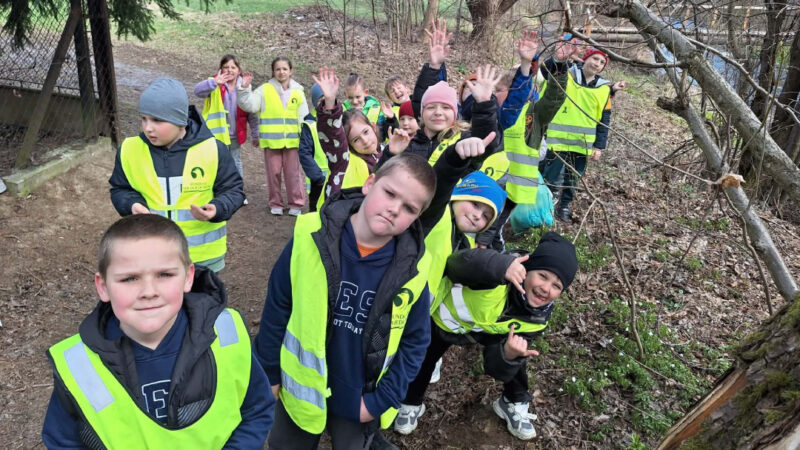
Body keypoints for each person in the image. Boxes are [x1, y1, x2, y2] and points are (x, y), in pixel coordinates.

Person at [42, 214, 274, 448]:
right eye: (130, 278)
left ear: (188, 277)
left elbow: (256, 409)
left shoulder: (227, 334)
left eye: (164, 275)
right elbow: (62, 441)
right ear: (103, 287)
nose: (149, 291)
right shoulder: (78, 364)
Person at [254, 153, 437, 449]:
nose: (394, 209)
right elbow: (277, 308)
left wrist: (380, 401)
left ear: (416, 218)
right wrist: (269, 373)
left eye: (409, 208)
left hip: (361, 399)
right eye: (390, 193)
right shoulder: (309, 237)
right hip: (298, 391)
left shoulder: (413, 271)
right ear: (369, 183)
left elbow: (415, 342)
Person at [395, 232, 578, 441]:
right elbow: (457, 263)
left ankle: (511, 402)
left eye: (557, 286)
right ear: (527, 269)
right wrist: (499, 266)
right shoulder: (498, 274)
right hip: (446, 323)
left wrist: (507, 355)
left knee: (518, 356)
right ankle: (411, 401)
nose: (546, 289)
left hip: (490, 332)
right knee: (425, 358)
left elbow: (493, 368)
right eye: (543, 276)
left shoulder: (536, 318)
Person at [109, 77, 244, 273]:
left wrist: (217, 208)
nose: (148, 127)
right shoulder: (130, 150)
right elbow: (120, 189)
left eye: (157, 120)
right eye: (144, 118)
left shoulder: (213, 150)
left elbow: (234, 190)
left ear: (181, 121)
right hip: (151, 257)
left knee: (201, 304)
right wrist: (132, 205)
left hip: (202, 261)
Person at [377, 18, 502, 169]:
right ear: (421, 114)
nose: (438, 112)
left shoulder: (462, 140)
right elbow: (380, 178)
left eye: (446, 107)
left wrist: (483, 104)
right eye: (430, 107)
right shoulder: (408, 145)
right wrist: (433, 66)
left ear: (455, 113)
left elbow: (486, 143)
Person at [539, 45, 626, 222]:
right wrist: (560, 58)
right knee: (550, 176)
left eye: (602, 62)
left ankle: (564, 206)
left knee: (573, 178)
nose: (597, 64)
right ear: (585, 58)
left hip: (582, 144)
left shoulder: (604, 89)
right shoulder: (567, 74)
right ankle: (545, 205)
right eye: (595, 58)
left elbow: (604, 120)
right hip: (557, 140)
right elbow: (546, 72)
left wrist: (599, 146)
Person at [312, 67, 413, 204]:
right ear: (348, 143)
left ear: (372, 127)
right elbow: (332, 134)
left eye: (366, 132)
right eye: (356, 139)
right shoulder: (344, 160)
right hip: (337, 218)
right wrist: (330, 102)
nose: (365, 141)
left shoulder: (384, 151)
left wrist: (392, 152)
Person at [238, 56, 308, 216]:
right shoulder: (264, 89)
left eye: (285, 68)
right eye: (278, 69)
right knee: (273, 174)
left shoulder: (298, 91)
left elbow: (304, 117)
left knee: (293, 175)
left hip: (292, 142)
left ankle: (296, 204)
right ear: (273, 71)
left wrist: (306, 138)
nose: (281, 72)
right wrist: (243, 89)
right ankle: (275, 203)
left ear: (291, 71)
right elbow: (249, 105)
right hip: (271, 141)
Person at [194, 54, 259, 202]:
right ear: (220, 69)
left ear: (239, 70)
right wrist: (214, 83)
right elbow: (197, 91)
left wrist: (256, 134)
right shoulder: (214, 83)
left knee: (235, 161)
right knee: (216, 162)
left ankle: (237, 193)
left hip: (236, 133)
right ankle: (217, 192)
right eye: (226, 67)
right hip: (216, 134)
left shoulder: (244, 87)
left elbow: (252, 112)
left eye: (233, 67)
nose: (229, 70)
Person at [298, 83, 329, 212]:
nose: (326, 103)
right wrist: (317, 177)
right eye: (321, 100)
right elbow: (304, 153)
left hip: (339, 178)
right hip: (319, 181)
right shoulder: (309, 125)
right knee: (316, 212)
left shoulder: (341, 119)